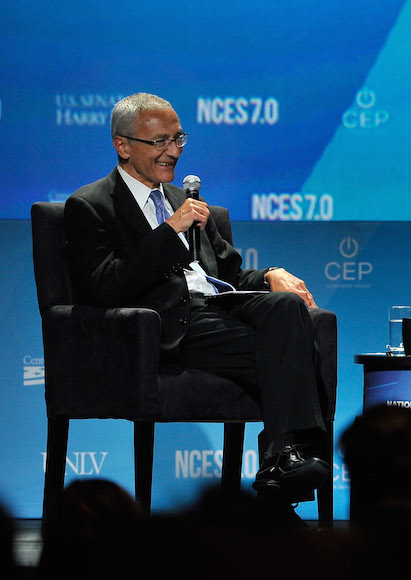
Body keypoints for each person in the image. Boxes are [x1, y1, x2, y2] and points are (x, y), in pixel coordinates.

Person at [63, 93, 329, 507]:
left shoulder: (183, 201)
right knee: (296, 348)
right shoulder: (92, 206)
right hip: (169, 324)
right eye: (159, 142)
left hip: (217, 309)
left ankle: (282, 463)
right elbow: (105, 286)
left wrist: (271, 274)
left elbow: (230, 276)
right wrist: (169, 231)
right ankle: (287, 466)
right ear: (123, 145)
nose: (173, 151)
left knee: (287, 307)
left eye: (178, 138)